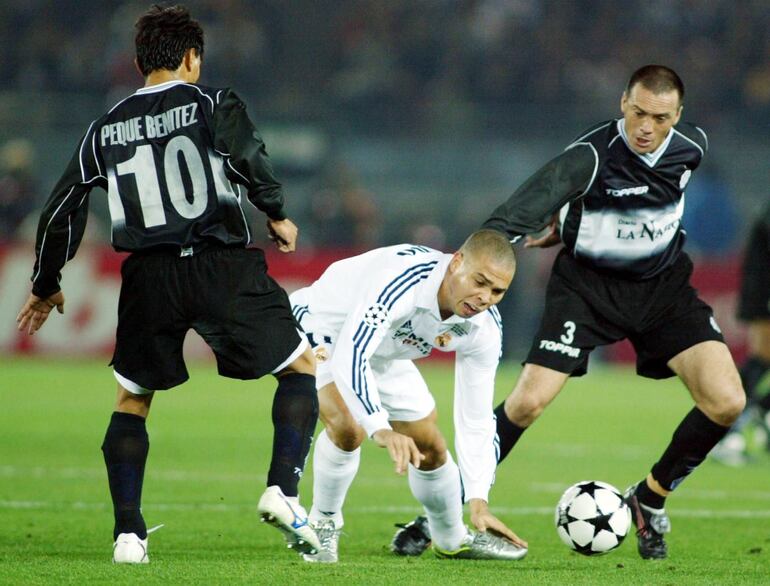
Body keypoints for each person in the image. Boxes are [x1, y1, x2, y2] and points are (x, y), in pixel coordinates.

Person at [392, 65, 745, 560]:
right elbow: (514, 214)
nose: (647, 127)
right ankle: (442, 513)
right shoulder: (589, 157)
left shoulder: (693, 146)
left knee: (727, 402)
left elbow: (650, 199)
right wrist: (456, 279)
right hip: (586, 289)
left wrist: (571, 223)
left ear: (678, 116)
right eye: (638, 112)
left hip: (662, 288)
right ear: (623, 102)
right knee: (526, 403)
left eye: (660, 117)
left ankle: (648, 499)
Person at [15, 4, 320, 563]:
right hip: (219, 262)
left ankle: (128, 536)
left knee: (132, 400)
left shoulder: (104, 127)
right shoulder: (210, 101)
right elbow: (244, 151)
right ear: (191, 57)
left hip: (148, 277)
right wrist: (275, 211)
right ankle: (283, 490)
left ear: (137, 62)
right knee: (300, 370)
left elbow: (61, 207)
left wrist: (45, 280)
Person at [291, 230, 528, 563]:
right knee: (349, 426)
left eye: (497, 290)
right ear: (456, 262)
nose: (485, 297)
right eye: (480, 281)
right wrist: (379, 425)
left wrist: (478, 498)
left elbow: (476, 418)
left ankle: (451, 538)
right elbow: (352, 351)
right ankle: (323, 523)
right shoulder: (403, 280)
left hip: (383, 350)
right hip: (324, 327)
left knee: (428, 444)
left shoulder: (484, 327)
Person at [711, 201, 770, 465]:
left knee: (763, 357)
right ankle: (722, 431)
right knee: (763, 356)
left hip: (760, 275)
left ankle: (761, 412)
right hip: (764, 280)